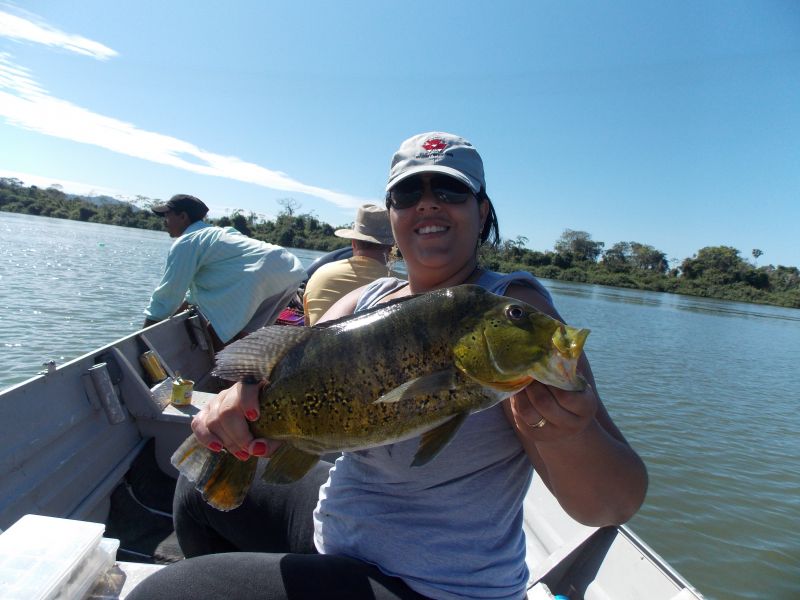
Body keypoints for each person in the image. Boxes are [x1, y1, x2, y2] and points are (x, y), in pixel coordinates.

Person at [129, 133, 647, 600]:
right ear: (393, 215)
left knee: (164, 594)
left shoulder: (511, 307)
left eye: (450, 190)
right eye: (407, 193)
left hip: (433, 587)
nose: (428, 202)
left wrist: (568, 433)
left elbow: (609, 506)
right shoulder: (368, 298)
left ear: (482, 210)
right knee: (197, 484)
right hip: (339, 537)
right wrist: (236, 403)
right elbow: (278, 368)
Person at [143, 194, 306, 351]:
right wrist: (174, 317)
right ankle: (243, 369)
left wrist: (142, 339)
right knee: (245, 339)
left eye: (167, 216)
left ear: (183, 217)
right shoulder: (219, 234)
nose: (164, 222)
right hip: (288, 270)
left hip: (260, 274)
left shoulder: (187, 241)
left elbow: (166, 297)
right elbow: (193, 296)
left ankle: (227, 370)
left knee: (217, 336)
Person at [303, 203, 398, 326]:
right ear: (390, 248)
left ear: (353, 243)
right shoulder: (403, 285)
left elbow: (307, 327)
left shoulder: (320, 274)